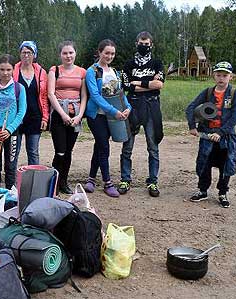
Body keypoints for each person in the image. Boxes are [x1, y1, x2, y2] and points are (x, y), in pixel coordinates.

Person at [185, 61, 236, 208]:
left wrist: (221, 132)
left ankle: (223, 193)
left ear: (231, 77)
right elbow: (190, 107)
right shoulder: (208, 92)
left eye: (225, 75)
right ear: (214, 76)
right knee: (204, 164)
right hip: (207, 136)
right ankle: (202, 191)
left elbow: (234, 117)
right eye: (218, 75)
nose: (221, 78)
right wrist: (192, 126)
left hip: (226, 137)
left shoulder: (235, 94)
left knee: (226, 166)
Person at [82, 39, 132, 198]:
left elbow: (120, 93)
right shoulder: (91, 71)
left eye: (112, 53)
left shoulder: (115, 72)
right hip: (96, 116)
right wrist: (113, 111)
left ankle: (90, 179)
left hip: (112, 116)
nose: (109, 56)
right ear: (100, 52)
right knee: (104, 146)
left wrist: (128, 107)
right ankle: (107, 183)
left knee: (99, 146)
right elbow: (95, 96)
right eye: (107, 53)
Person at [120, 31, 165, 197]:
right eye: (141, 43)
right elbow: (126, 86)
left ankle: (153, 181)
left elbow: (159, 85)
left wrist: (137, 82)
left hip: (152, 106)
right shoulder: (128, 64)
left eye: (147, 44)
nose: (144, 46)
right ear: (136, 43)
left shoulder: (157, 63)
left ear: (151, 45)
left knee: (153, 147)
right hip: (132, 106)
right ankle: (125, 179)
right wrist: (149, 84)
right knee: (127, 146)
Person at [47, 41, 87, 194]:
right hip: (59, 115)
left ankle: (64, 181)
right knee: (60, 151)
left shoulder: (82, 72)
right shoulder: (54, 70)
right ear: (60, 55)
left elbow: (84, 95)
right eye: (65, 53)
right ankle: (54, 183)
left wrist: (79, 116)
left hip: (75, 115)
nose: (68, 56)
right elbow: (51, 94)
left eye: (71, 52)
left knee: (69, 151)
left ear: (75, 53)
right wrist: (63, 115)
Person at [0, 54, 27, 189]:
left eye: (9, 69)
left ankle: (10, 190)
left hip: (12, 132)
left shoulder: (19, 88)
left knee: (11, 163)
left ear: (14, 69)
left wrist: (9, 130)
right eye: (2, 69)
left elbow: (21, 112)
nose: (5, 73)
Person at [13, 41, 49, 165]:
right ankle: (12, 179)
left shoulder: (41, 72)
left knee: (33, 151)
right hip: (16, 118)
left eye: (29, 52)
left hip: (35, 116)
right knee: (14, 151)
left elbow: (44, 97)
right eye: (24, 52)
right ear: (20, 54)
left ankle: (34, 179)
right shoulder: (13, 71)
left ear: (34, 55)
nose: (26, 55)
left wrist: (45, 118)